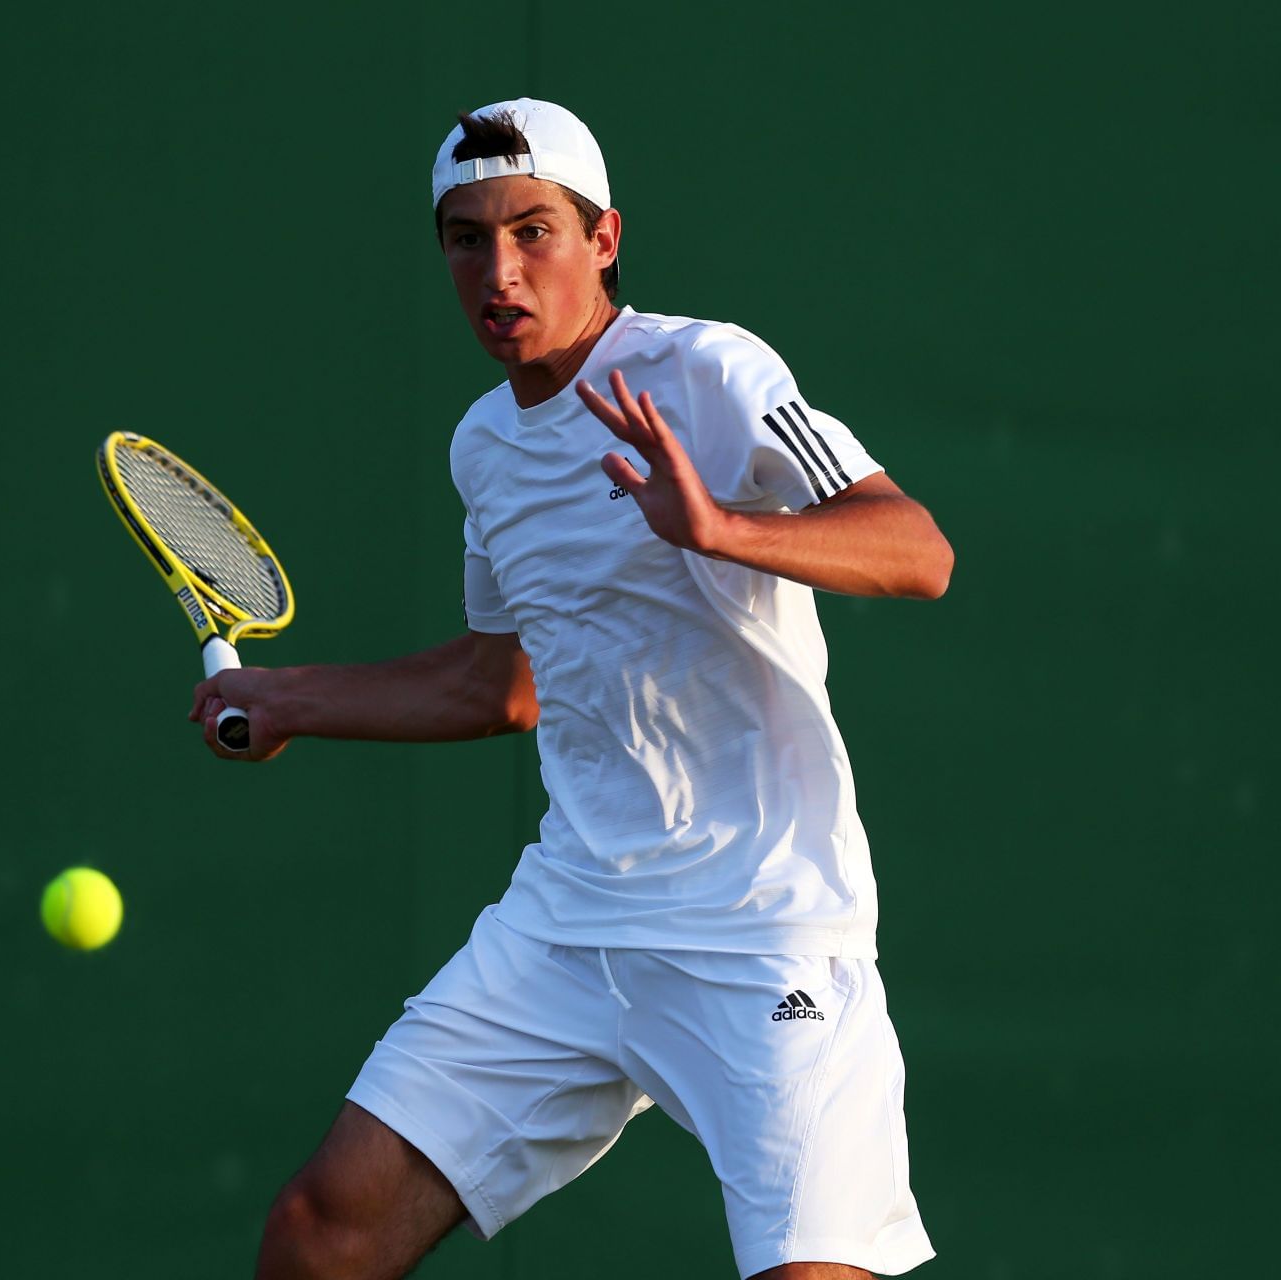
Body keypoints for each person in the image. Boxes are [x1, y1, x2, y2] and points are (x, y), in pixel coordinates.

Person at [191, 97, 954, 1280]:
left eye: (532, 230)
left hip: (763, 929)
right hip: (571, 922)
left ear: (603, 240)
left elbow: (917, 548)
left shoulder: (711, 371)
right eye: (465, 237)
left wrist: (723, 528)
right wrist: (293, 699)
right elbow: (503, 684)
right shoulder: (483, 447)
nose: (498, 269)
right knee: (318, 1237)